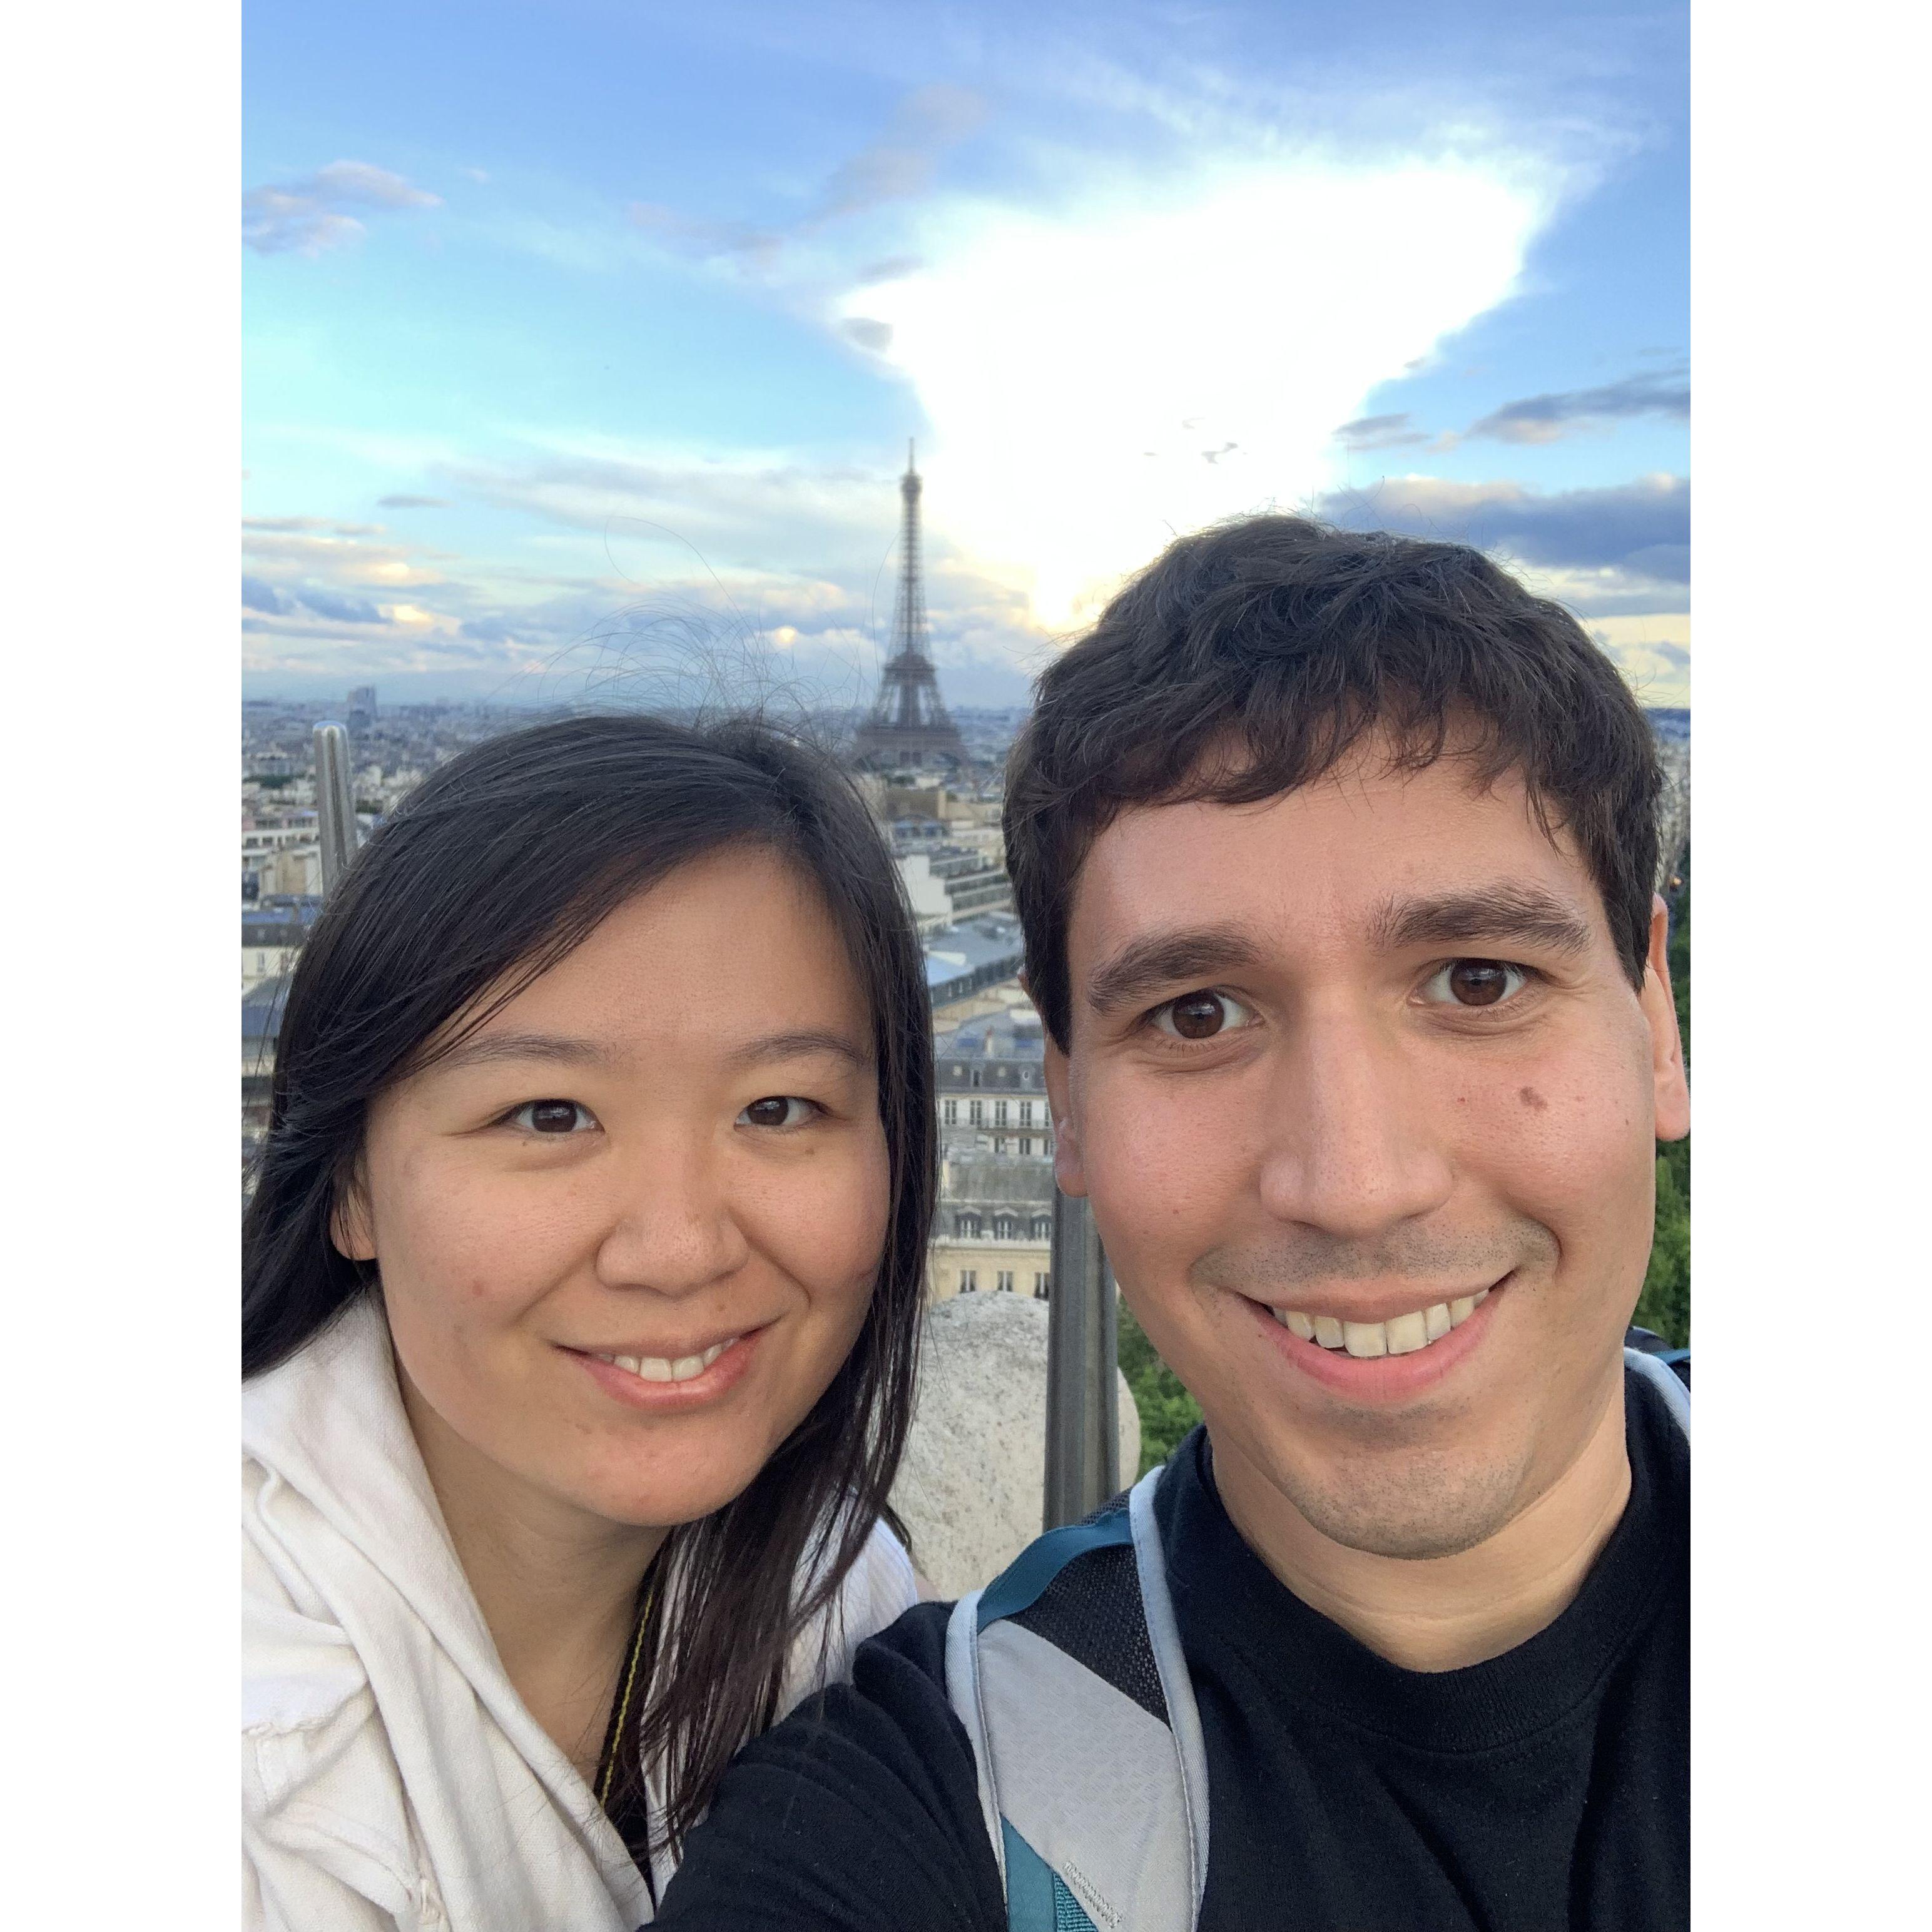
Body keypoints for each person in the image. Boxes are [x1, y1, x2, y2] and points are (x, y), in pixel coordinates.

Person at [653, 516, 1692, 1931]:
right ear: (1064, 1097)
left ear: (1655, 1019)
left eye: (1475, 979)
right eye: (1196, 1013)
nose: (1353, 1176)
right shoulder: (915, 1809)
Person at [242, 713, 935, 1931]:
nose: (677, 1248)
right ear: (348, 1181)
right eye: (549, 1114)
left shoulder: (843, 1586)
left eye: (777, 1106)